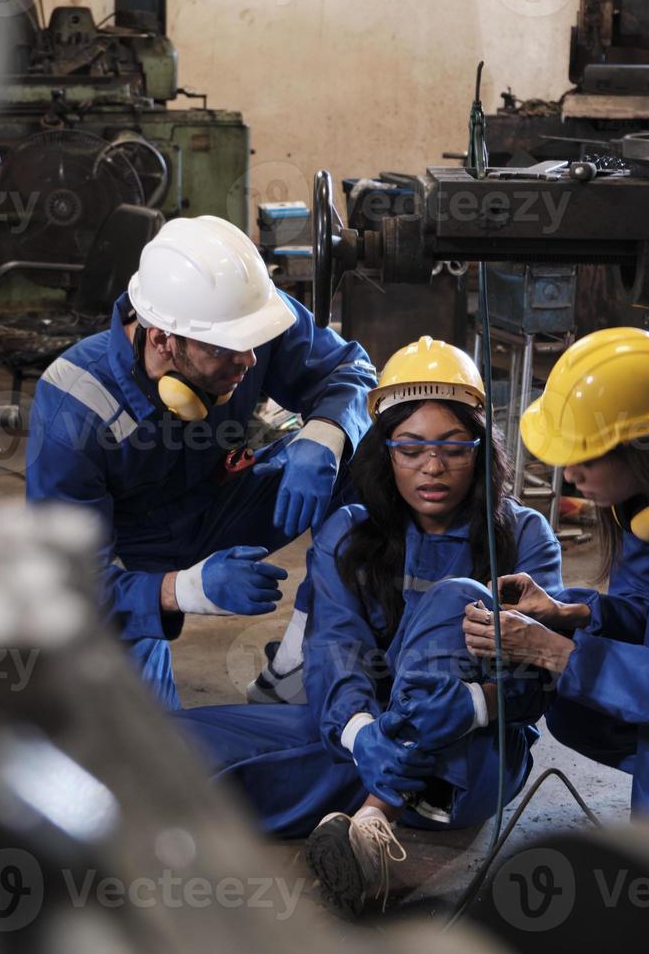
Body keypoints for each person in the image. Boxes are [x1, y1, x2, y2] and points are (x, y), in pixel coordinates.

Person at [173, 337, 563, 918]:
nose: (433, 466)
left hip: (475, 754)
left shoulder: (525, 536)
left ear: (481, 451)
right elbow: (336, 653)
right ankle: (380, 805)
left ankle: (379, 805)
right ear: (386, 453)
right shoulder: (349, 532)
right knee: (169, 748)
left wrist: (475, 706)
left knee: (460, 599)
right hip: (366, 735)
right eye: (411, 449)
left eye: (454, 448)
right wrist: (363, 736)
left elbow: (540, 671)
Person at [27, 216, 376, 709]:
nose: (250, 361)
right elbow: (67, 586)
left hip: (224, 503)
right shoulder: (73, 405)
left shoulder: (240, 322)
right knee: (150, 752)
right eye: (227, 352)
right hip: (133, 557)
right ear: (162, 339)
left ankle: (299, 658)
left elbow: (352, 369)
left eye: (253, 343)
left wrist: (326, 433)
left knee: (375, 457)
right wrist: (183, 590)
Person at [462, 327, 649, 815]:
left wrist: (558, 652)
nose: (572, 473)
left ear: (645, 447)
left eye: (587, 454)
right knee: (573, 706)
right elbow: (646, 611)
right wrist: (571, 613)